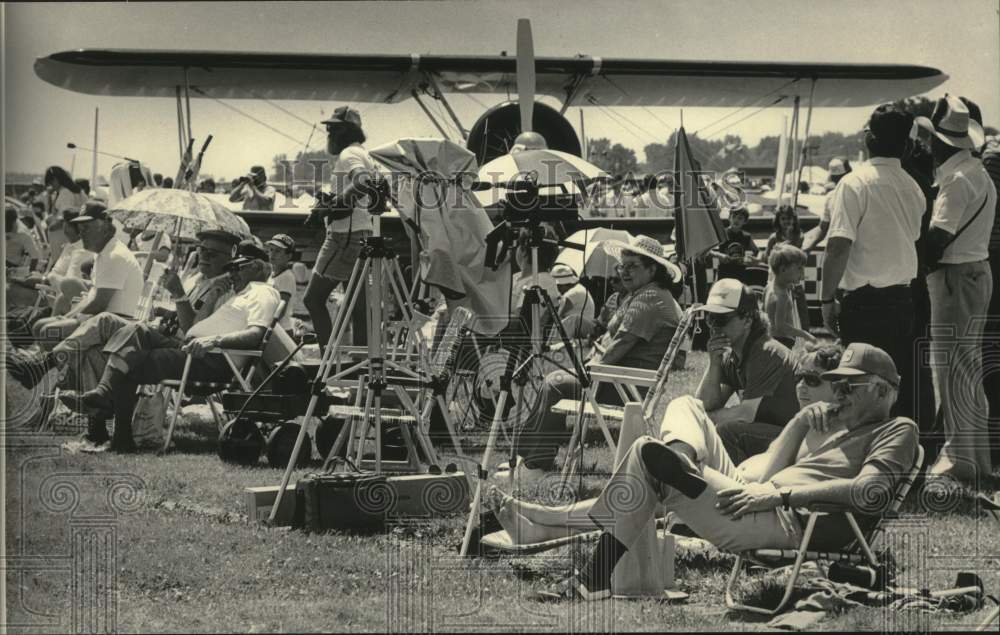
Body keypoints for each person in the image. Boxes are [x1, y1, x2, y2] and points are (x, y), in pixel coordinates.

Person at [501, 343, 917, 602]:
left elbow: (870, 493)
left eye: (850, 387)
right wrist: (803, 421)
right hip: (754, 496)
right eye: (836, 385)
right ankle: (680, 461)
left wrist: (776, 497)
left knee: (647, 455)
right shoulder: (832, 425)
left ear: (883, 391)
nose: (838, 394)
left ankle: (590, 571)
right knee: (685, 407)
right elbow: (776, 461)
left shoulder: (898, 430)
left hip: (780, 519)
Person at [7, 231, 240, 445]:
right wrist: (168, 311)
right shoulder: (198, 281)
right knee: (100, 332)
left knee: (119, 334)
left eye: (212, 253)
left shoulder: (226, 287)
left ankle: (49, 370)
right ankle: (98, 425)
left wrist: (178, 294)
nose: (204, 256)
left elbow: (194, 331)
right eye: (201, 249)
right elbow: (184, 316)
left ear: (230, 258)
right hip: (164, 335)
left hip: (188, 350)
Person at [57, 241, 282, 452]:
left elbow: (256, 334)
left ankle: (111, 417)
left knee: (129, 357)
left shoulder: (262, 292)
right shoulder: (238, 294)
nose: (231, 273)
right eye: (230, 268)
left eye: (237, 267)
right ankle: (105, 403)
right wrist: (212, 294)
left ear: (257, 268)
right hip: (193, 350)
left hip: (211, 359)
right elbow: (195, 325)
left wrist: (213, 341)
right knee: (137, 332)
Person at [497, 235, 684, 482]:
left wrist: (587, 371)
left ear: (653, 269)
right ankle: (530, 458)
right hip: (624, 382)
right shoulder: (645, 294)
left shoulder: (650, 299)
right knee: (556, 379)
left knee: (555, 384)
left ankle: (534, 464)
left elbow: (618, 347)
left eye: (632, 267)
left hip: (627, 387)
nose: (625, 272)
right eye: (622, 266)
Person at [821, 103, 925, 424]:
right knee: (895, 387)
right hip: (902, 301)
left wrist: (826, 299)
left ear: (869, 138)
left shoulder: (853, 184)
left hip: (865, 304)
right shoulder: (913, 188)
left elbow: (838, 246)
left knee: (860, 388)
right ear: (905, 144)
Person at [915, 95, 996, 482]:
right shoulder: (976, 173)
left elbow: (938, 238)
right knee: (968, 371)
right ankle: (975, 460)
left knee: (949, 373)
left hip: (954, 277)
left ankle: (956, 461)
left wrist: (914, 255)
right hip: (976, 272)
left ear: (939, 141)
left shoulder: (957, 180)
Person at [691, 278, 801, 464]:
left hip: (797, 440)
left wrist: (701, 419)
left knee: (728, 431)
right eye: (710, 319)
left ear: (748, 319)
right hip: (776, 433)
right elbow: (705, 403)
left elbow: (745, 414)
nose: (714, 326)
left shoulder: (766, 352)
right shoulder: (734, 354)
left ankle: (736, 486)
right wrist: (714, 363)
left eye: (721, 319)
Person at [303, 106, 377, 349]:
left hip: (344, 237)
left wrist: (330, 206)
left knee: (313, 300)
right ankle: (360, 363)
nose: (328, 134)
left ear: (345, 131)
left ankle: (328, 362)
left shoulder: (348, 154)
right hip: (363, 234)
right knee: (358, 305)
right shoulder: (364, 153)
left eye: (332, 129)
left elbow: (362, 183)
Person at [29, 202, 143, 348]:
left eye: (86, 228)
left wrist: (72, 317)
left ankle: (56, 367)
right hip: (99, 320)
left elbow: (99, 304)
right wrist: (66, 317)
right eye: (80, 228)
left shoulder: (114, 256)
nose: (81, 233)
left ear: (105, 226)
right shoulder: (104, 253)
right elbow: (91, 297)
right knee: (40, 326)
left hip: (113, 327)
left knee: (48, 331)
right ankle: (49, 366)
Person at [764, 245, 815, 349]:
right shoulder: (781, 296)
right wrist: (806, 335)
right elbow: (781, 326)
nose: (803, 273)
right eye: (799, 268)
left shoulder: (770, 286)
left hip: (770, 338)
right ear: (783, 269)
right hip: (782, 342)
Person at [802, 157, 852, 253]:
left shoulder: (830, 197)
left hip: (834, 248)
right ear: (849, 172)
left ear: (832, 177)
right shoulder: (859, 194)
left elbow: (823, 228)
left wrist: (809, 246)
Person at [714, 205, 761, 281]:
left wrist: (754, 260)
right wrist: (719, 255)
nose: (736, 220)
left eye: (740, 218)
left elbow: (757, 251)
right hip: (724, 272)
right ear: (729, 218)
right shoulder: (722, 234)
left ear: (745, 221)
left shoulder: (746, 236)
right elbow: (709, 250)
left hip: (740, 272)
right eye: (734, 217)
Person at [550, 263, 595, 339]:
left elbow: (557, 317)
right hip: (585, 327)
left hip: (581, 328)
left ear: (562, 285)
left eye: (557, 286)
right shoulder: (579, 289)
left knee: (560, 322)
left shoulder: (571, 294)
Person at [265, 233, 297, 331]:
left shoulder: (286, 277)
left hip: (281, 330)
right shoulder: (270, 274)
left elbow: (281, 310)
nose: (272, 254)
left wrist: (266, 326)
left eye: (278, 251)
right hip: (271, 326)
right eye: (271, 250)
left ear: (288, 256)